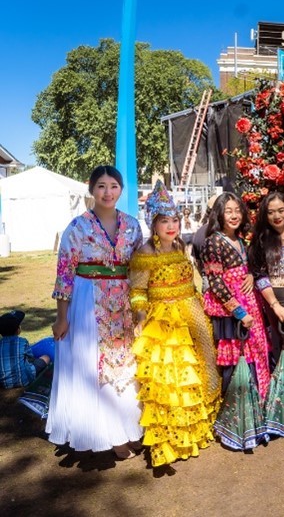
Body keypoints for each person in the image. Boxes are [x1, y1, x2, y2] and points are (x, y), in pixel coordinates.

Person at [48, 165, 144, 459]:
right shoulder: (77, 227)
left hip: (124, 302)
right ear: (91, 189)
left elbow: (140, 268)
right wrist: (62, 316)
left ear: (121, 189)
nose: (107, 192)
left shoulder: (133, 225)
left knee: (127, 364)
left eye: (113, 186)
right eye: (101, 186)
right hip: (89, 300)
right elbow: (65, 273)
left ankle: (130, 427)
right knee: (96, 366)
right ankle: (110, 436)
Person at [129, 181, 220, 467]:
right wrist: (141, 318)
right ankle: (171, 438)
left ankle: (198, 429)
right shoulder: (145, 253)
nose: (171, 226)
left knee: (199, 369)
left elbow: (192, 284)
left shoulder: (182, 247)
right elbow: (138, 291)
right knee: (170, 378)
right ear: (152, 224)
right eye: (164, 221)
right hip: (165, 321)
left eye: (175, 220)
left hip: (191, 313)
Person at [201, 193, 271, 400]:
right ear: (219, 214)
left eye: (237, 210)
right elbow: (215, 282)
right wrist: (239, 313)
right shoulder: (213, 242)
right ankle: (238, 410)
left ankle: (257, 405)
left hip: (251, 304)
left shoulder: (240, 240)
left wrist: (249, 274)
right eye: (228, 211)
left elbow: (245, 266)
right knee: (237, 359)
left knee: (255, 353)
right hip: (230, 312)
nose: (234, 215)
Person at [249, 192, 284, 382]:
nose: (277, 216)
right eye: (271, 212)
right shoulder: (261, 241)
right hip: (278, 302)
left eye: (281, 210)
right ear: (265, 216)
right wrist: (275, 305)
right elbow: (260, 277)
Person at [0, 310, 52, 389]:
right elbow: (30, 357)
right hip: (25, 380)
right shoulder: (22, 342)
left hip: (4, 383)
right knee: (46, 357)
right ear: (18, 330)